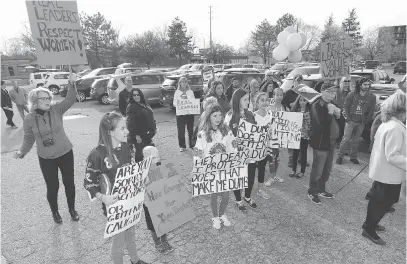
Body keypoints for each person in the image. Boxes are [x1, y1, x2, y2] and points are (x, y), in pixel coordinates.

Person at [83, 112, 149, 264]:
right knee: (119, 240)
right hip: (114, 205)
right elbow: (88, 182)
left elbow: (131, 170)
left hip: (130, 200)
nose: (127, 131)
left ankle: (135, 260)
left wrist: (142, 177)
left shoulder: (126, 147)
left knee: (131, 233)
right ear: (110, 132)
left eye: (126, 127)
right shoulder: (97, 154)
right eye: (122, 128)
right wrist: (103, 197)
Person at [14, 74, 79, 224]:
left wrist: (71, 84)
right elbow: (29, 137)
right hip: (46, 157)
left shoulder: (56, 110)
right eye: (43, 98)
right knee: (52, 186)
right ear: (34, 101)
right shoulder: (29, 118)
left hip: (65, 152)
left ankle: (72, 209)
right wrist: (21, 151)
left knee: (69, 182)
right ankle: (55, 212)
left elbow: (70, 100)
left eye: (48, 97)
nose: (47, 101)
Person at [362, 91, 406, 246]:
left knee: (384, 200)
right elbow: (393, 155)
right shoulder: (395, 127)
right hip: (388, 173)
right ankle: (369, 228)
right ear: (401, 109)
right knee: (382, 202)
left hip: (386, 172)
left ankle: (370, 223)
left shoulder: (390, 123)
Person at [195, 104, 235, 229]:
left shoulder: (226, 130)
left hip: (224, 169)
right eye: (214, 116)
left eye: (219, 115)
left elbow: (233, 146)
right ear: (209, 117)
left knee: (226, 195)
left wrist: (236, 160)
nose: (218, 118)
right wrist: (198, 168)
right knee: (214, 194)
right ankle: (215, 217)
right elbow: (198, 152)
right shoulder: (202, 134)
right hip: (211, 170)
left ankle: (222, 214)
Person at [308, 83, 341, 205]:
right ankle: (312, 191)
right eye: (330, 92)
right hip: (321, 143)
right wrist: (330, 113)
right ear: (322, 91)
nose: (333, 94)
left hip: (331, 143)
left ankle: (321, 189)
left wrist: (338, 116)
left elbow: (339, 123)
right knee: (318, 169)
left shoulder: (332, 104)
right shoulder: (317, 105)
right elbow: (320, 125)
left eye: (334, 92)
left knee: (327, 169)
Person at [224, 88, 256, 211]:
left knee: (251, 176)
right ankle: (238, 200)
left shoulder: (250, 114)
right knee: (237, 177)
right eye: (245, 99)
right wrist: (233, 141)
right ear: (238, 100)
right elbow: (225, 135)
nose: (248, 102)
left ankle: (247, 196)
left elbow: (255, 132)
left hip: (250, 154)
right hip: (236, 154)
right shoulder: (230, 116)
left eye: (248, 99)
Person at [336, 78, 376, 165]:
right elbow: (345, 107)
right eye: (365, 84)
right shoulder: (352, 94)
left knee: (356, 140)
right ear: (360, 85)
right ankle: (340, 157)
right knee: (345, 139)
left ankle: (353, 157)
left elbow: (371, 110)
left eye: (368, 85)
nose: (367, 86)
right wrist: (348, 119)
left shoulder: (372, 97)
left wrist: (366, 121)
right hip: (351, 121)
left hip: (361, 122)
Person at [142, 146, 174, 254]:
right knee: (153, 226)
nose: (158, 159)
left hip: (161, 200)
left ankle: (164, 240)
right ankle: (157, 243)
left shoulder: (160, 167)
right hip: (149, 203)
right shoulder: (142, 172)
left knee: (163, 221)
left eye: (158, 156)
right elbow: (140, 189)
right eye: (154, 157)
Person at [265, 88, 288, 186]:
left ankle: (276, 175)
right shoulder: (269, 109)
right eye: (277, 95)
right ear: (273, 96)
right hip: (272, 138)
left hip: (282, 138)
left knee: (280, 158)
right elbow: (265, 123)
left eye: (281, 95)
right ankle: (271, 177)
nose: (279, 97)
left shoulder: (285, 107)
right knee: (272, 158)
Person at [126, 88, 156, 161]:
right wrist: (136, 135)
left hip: (147, 134)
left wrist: (154, 127)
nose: (136, 96)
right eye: (134, 95)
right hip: (139, 135)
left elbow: (150, 115)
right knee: (140, 154)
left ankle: (145, 168)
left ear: (140, 95)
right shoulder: (131, 107)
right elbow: (130, 123)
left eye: (137, 94)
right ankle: (139, 169)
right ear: (132, 97)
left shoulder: (144, 103)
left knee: (147, 152)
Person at [252, 92, 272, 200]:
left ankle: (260, 189)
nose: (265, 102)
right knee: (250, 170)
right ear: (257, 103)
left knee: (262, 169)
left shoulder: (271, 116)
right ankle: (246, 190)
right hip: (254, 148)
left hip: (265, 148)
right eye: (262, 100)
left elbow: (273, 131)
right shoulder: (252, 116)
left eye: (266, 100)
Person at [289, 95, 311, 179]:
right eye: (300, 100)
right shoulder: (295, 110)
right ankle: (293, 170)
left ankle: (302, 171)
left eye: (304, 100)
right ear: (298, 101)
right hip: (296, 134)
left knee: (303, 153)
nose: (302, 102)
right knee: (295, 153)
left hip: (305, 135)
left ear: (307, 102)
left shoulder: (310, 111)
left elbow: (311, 123)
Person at [283, 75, 303, 167]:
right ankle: (291, 159)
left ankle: (300, 158)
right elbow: (284, 105)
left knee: (301, 139)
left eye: (300, 81)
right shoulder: (288, 93)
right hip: (291, 118)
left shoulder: (304, 93)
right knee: (291, 140)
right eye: (297, 81)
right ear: (293, 82)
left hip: (301, 118)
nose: (299, 83)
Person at [173, 76, 196, 152]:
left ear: (187, 83)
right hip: (180, 114)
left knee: (190, 130)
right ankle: (182, 146)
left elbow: (193, 101)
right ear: (179, 83)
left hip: (189, 113)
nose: (184, 83)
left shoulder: (190, 92)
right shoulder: (177, 92)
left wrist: (189, 102)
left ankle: (192, 144)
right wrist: (180, 104)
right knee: (181, 130)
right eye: (182, 82)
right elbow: (174, 103)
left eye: (185, 81)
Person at [333, 77, 351, 145]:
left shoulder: (350, 92)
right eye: (345, 81)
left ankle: (342, 144)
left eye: (348, 81)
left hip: (347, 113)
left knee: (345, 130)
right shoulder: (337, 91)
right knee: (339, 128)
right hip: (338, 113)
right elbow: (334, 101)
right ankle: (338, 142)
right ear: (341, 82)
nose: (347, 83)